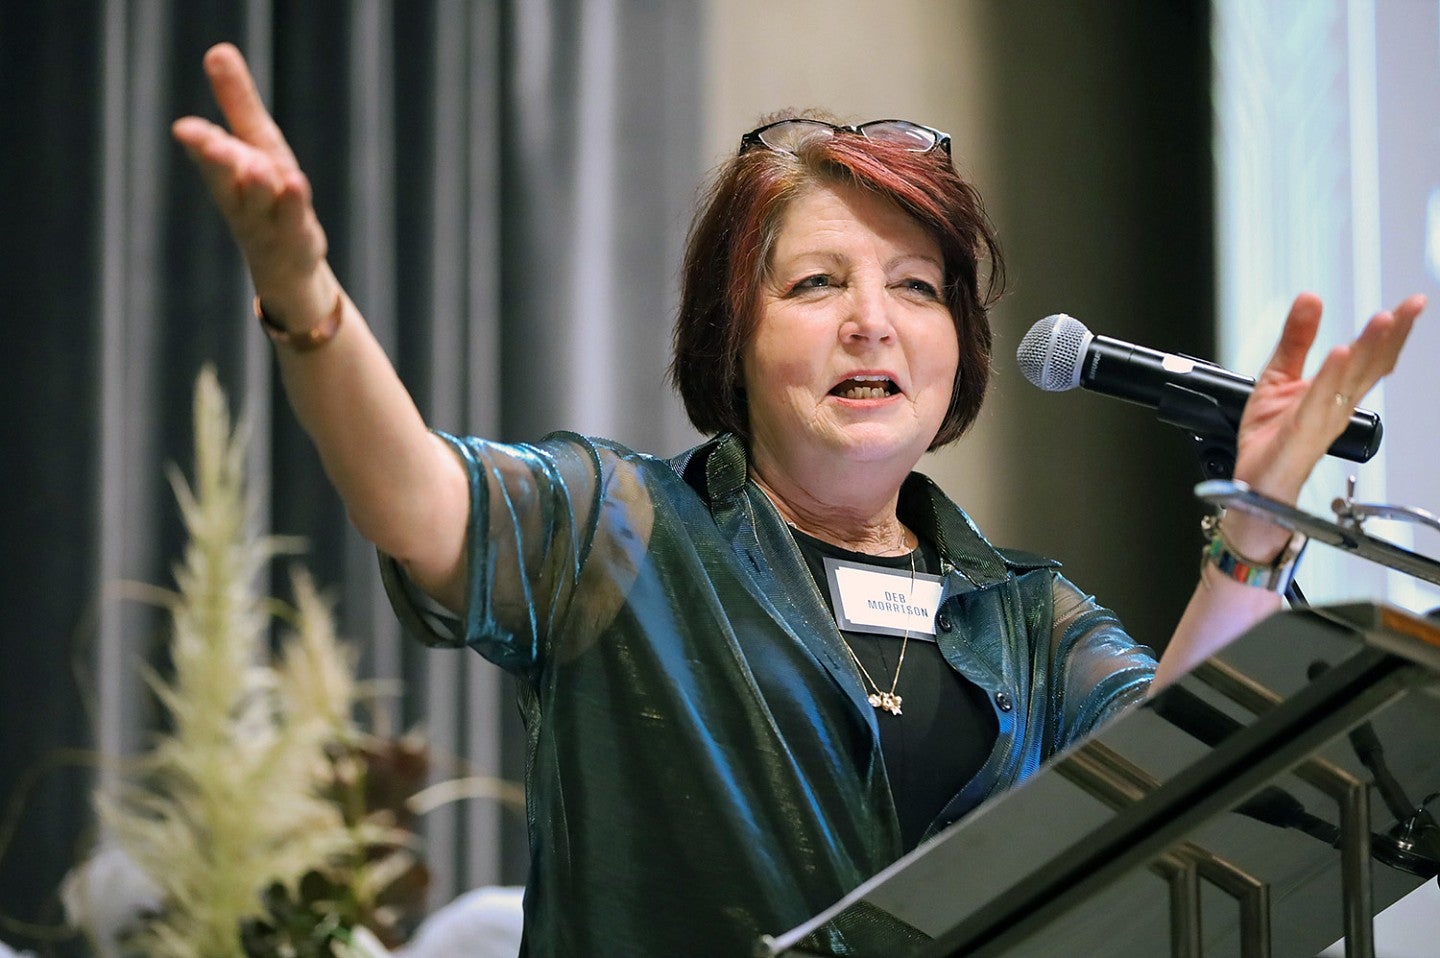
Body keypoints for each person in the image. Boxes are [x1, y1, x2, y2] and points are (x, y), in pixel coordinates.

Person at [173, 42, 1421, 957]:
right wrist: (307, 297)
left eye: (918, 288)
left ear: (960, 351)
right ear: (736, 338)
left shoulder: (1025, 616)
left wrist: (1258, 519)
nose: (873, 319)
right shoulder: (622, 532)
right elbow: (420, 503)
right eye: (818, 281)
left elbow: (1173, 784)